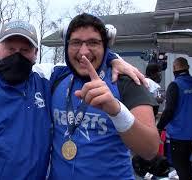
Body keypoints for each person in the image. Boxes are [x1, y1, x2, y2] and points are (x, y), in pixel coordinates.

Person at [0, 20, 147, 180]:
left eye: (25, 50)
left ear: (35, 53)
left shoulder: (45, 78)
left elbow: (81, 59)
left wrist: (112, 58)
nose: (17, 55)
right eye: (10, 48)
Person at [48, 13, 160, 179]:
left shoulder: (125, 82)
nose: (84, 52)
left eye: (93, 42)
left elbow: (150, 150)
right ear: (66, 46)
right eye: (76, 42)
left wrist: (116, 111)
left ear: (105, 47)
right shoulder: (56, 78)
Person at [157, 57, 192, 180]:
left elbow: (169, 110)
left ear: (174, 68)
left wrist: (159, 127)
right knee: (187, 163)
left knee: (180, 165)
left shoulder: (176, 85)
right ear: (188, 67)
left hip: (178, 134)